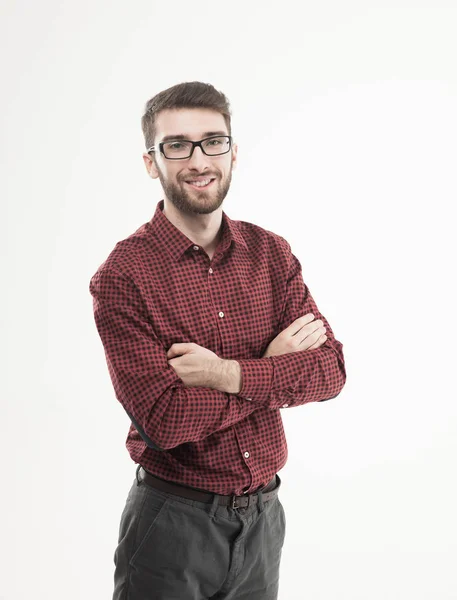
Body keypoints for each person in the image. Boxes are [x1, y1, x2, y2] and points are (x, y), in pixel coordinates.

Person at [89, 81, 346, 600]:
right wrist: (272, 369)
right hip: (172, 525)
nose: (199, 159)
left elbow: (330, 371)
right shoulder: (124, 275)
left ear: (232, 152)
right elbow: (163, 419)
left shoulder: (271, 255)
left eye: (213, 141)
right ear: (151, 162)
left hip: (265, 521)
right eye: (177, 145)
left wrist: (227, 373)